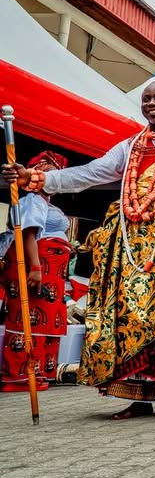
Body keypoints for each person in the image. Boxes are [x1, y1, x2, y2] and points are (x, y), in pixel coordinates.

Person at [2, 82, 155, 419]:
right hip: (135, 244)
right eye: (146, 99)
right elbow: (90, 174)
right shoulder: (129, 146)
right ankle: (139, 399)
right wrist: (37, 180)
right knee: (131, 317)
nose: (152, 103)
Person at [0, 151, 72, 392]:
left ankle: (36, 371)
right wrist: (36, 268)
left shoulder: (45, 201)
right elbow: (28, 234)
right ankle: (19, 376)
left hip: (52, 270)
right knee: (27, 320)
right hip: (38, 265)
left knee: (44, 323)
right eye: (47, 174)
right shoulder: (32, 200)